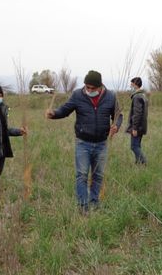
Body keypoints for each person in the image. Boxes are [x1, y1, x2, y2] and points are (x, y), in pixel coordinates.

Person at [45, 70, 123, 213]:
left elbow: (118, 115)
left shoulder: (111, 96)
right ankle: (83, 206)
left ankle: (94, 202)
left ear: (100, 86)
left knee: (98, 175)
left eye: (93, 88)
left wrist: (116, 126)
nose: (89, 90)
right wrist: (54, 114)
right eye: (87, 87)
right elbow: (65, 110)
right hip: (83, 143)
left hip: (102, 143)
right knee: (81, 175)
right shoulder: (77, 95)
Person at [126, 76, 148, 165]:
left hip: (137, 127)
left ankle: (143, 162)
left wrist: (134, 128)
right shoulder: (143, 95)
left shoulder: (137, 97)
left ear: (135, 85)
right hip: (142, 126)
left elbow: (137, 114)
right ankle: (138, 164)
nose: (130, 87)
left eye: (131, 85)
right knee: (137, 145)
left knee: (134, 146)